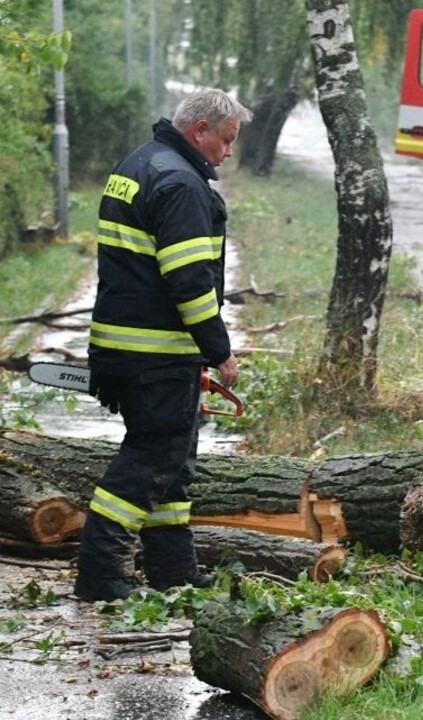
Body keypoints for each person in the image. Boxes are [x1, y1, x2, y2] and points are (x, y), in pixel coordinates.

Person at [74, 89, 252, 602]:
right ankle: (101, 573)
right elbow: (189, 280)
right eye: (226, 140)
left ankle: (172, 568)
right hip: (156, 352)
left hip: (126, 346)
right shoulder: (180, 183)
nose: (229, 151)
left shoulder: (139, 163)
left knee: (172, 464)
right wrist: (218, 349)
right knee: (151, 459)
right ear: (200, 131)